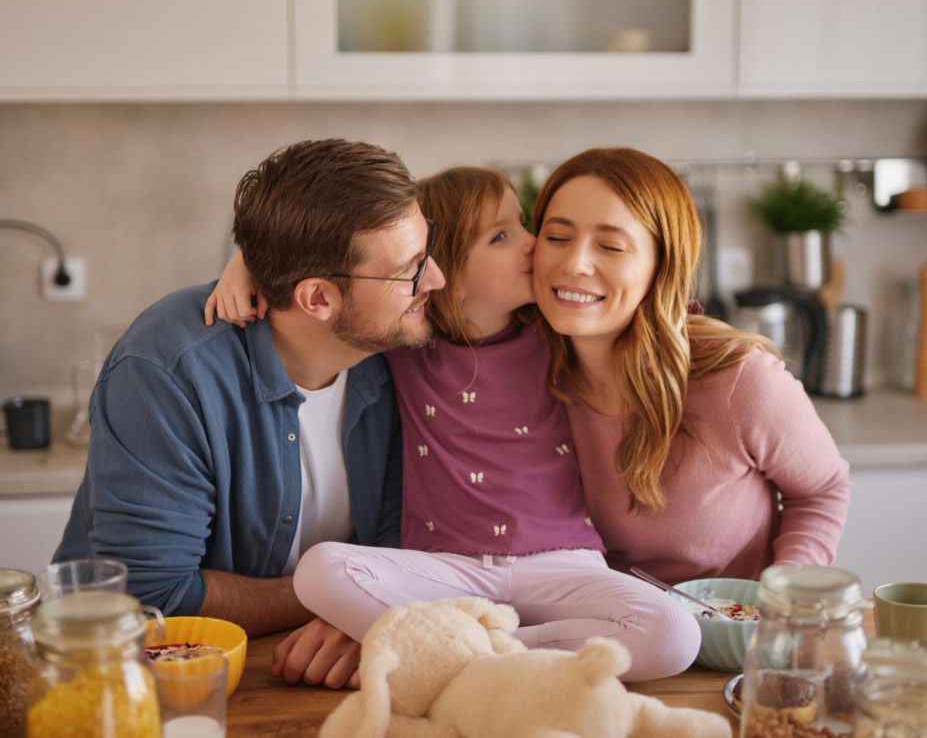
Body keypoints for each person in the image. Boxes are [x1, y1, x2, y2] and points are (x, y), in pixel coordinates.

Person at [209, 166, 701, 681]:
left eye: (524, 226)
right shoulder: (404, 344)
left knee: (674, 633)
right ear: (443, 271)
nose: (536, 245)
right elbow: (316, 255)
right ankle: (475, 654)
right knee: (320, 571)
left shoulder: (561, 334)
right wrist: (246, 263)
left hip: (563, 560)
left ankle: (458, 654)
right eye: (503, 235)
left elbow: (646, 307)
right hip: (446, 570)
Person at [54, 138, 445, 689]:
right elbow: (154, 601)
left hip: (330, 662)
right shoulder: (166, 371)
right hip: (146, 685)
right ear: (316, 299)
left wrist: (369, 606)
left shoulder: (396, 348)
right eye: (413, 270)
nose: (436, 281)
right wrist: (345, 595)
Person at [528, 147, 851, 584]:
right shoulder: (523, 371)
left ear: (662, 267)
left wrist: (784, 598)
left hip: (733, 642)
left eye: (610, 246)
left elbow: (823, 490)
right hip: (606, 636)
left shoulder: (740, 381)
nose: (574, 264)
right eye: (557, 237)